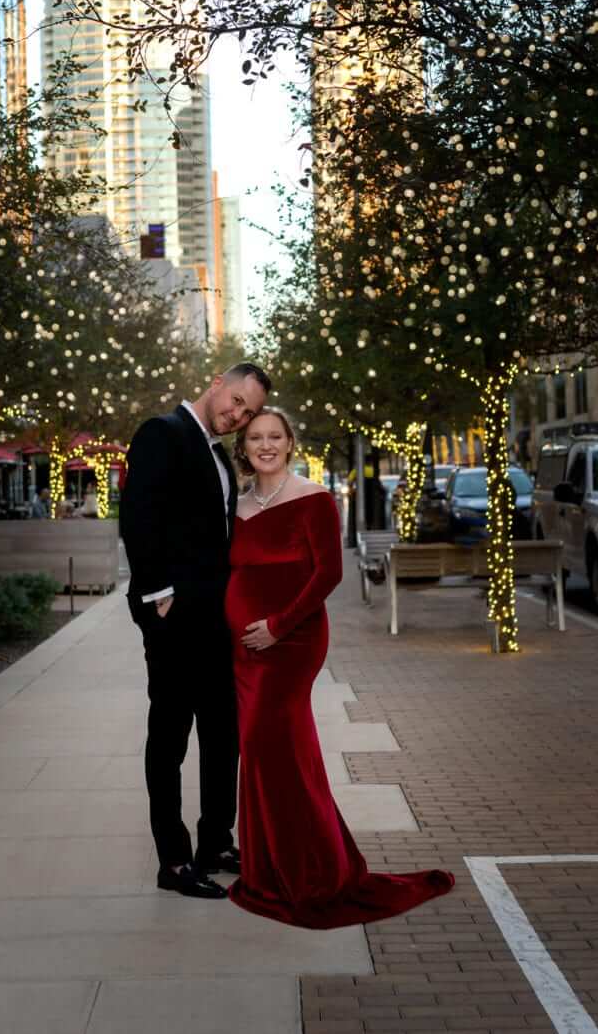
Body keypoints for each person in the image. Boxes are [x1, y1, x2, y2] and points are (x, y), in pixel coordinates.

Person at [226, 407, 455, 927]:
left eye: (274, 437)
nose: (265, 445)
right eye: (255, 437)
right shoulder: (235, 505)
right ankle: (267, 871)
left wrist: (278, 626)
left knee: (270, 745)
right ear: (245, 446)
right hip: (242, 651)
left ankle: (312, 871)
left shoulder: (314, 499)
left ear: (289, 443)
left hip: (291, 643)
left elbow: (328, 574)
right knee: (266, 755)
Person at [119, 363, 273, 899]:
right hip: (175, 620)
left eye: (248, 412)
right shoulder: (163, 432)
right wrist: (157, 596)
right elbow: (138, 516)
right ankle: (174, 861)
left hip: (216, 621)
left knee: (221, 735)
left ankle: (215, 841)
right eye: (235, 401)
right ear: (215, 384)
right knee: (170, 740)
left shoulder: (218, 455)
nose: (238, 415)